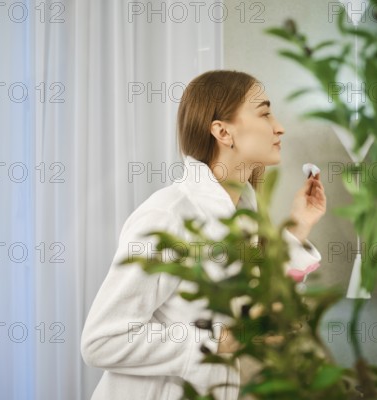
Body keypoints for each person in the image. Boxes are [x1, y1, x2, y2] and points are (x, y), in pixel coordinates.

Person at [80, 70, 327, 400]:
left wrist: (299, 224)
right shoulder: (169, 215)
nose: (279, 126)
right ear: (223, 131)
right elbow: (101, 341)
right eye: (265, 113)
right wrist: (224, 340)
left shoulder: (244, 216)